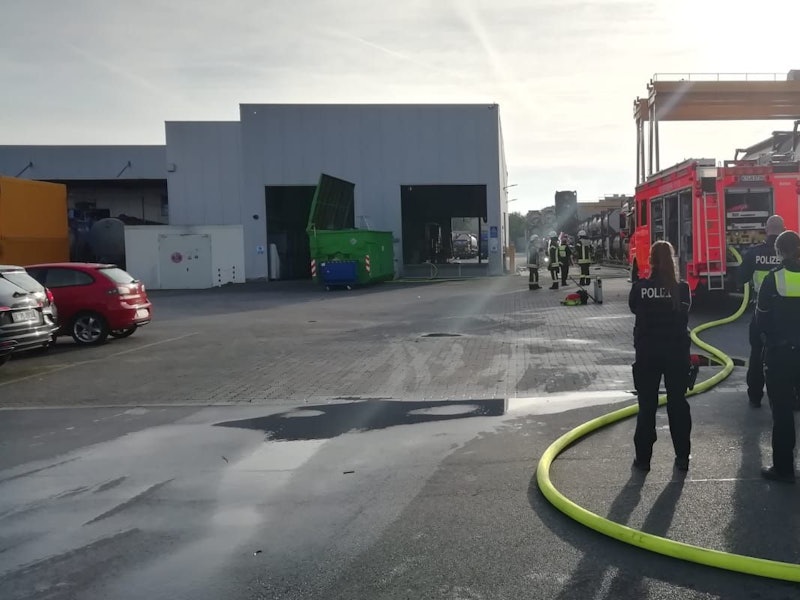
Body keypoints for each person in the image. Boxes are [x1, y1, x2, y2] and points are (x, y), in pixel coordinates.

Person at [628, 240, 692, 472]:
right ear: (672, 260)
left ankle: (643, 460)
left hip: (647, 354)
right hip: (676, 354)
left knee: (647, 406)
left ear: (651, 260)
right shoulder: (682, 289)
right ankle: (682, 457)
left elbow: (634, 308)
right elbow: (684, 313)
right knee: (678, 404)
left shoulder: (640, 288)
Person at [756, 230, 800, 483]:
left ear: (779, 251)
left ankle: (783, 468)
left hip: (780, 354)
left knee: (782, 412)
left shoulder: (773, 280)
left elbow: (762, 320)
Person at [739, 215, 785, 408]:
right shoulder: (792, 253)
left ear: (766, 230)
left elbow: (740, 277)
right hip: (788, 313)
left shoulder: (754, 253)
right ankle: (789, 395)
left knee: (757, 353)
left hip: (761, 311)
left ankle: (755, 396)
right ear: (783, 230)